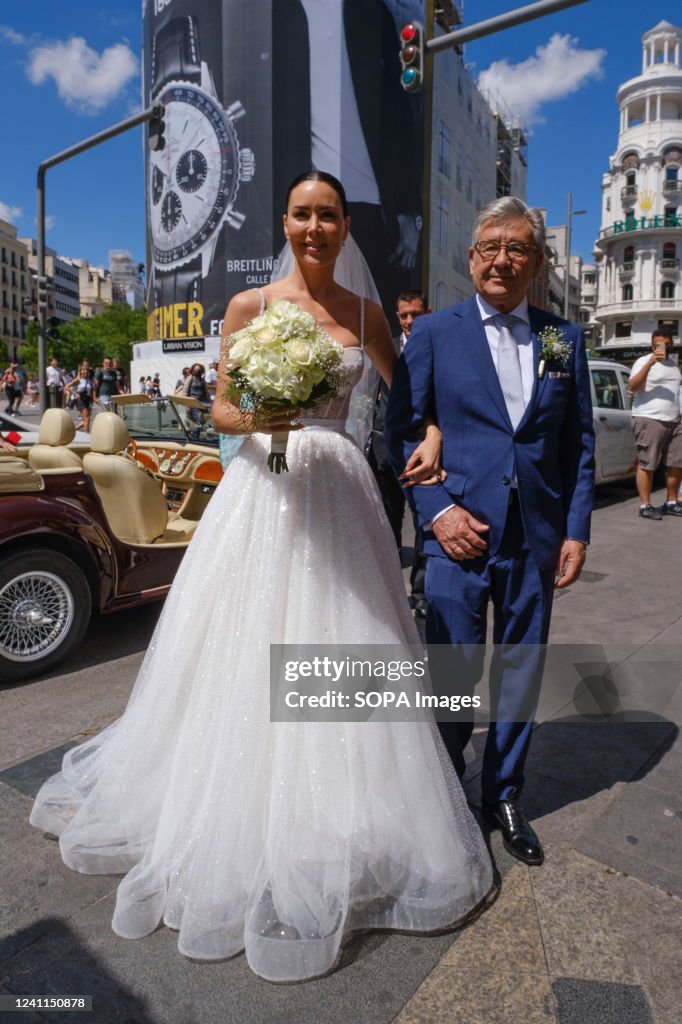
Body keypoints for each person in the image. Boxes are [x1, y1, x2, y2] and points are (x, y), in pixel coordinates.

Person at [30, 171, 493, 983]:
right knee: (245, 641)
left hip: (342, 490)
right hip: (262, 486)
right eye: (303, 215)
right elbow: (221, 411)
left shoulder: (365, 316)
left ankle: (344, 817)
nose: (315, 227)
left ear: (347, 227)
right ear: (286, 222)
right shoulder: (250, 309)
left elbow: (407, 390)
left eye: (329, 216)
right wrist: (265, 412)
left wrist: (435, 435)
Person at [386, 196, 595, 867]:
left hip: (535, 537)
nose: (503, 259)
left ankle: (503, 794)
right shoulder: (435, 334)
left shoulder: (563, 338)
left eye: (518, 248)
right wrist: (438, 510)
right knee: (451, 670)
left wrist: (576, 530)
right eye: (491, 247)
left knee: (519, 672)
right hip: (458, 536)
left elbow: (579, 440)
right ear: (472, 259)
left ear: (536, 262)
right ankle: (442, 792)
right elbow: (400, 434)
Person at [366, 290, 431, 616]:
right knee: (387, 525)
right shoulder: (386, 344)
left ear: (427, 313)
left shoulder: (438, 346)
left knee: (424, 525)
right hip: (383, 450)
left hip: (422, 453)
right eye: (403, 315)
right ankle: (391, 593)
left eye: (415, 315)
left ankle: (420, 593)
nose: (408, 321)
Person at [628, 328, 682, 520]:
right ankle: (645, 505)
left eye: (667, 344)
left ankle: (671, 502)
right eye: (658, 344)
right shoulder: (643, 361)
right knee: (647, 463)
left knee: (676, 463)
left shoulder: (673, 365)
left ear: (671, 344)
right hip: (649, 418)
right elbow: (632, 386)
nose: (663, 347)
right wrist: (650, 362)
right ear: (652, 345)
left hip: (674, 420)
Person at [65, 360, 94, 432]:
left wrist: (93, 399)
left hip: (87, 399)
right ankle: (87, 436)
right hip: (80, 399)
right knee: (87, 418)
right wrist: (75, 393)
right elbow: (66, 387)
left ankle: (73, 430)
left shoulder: (89, 380)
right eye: (84, 370)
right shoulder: (78, 379)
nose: (85, 371)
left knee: (87, 419)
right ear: (80, 371)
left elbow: (91, 391)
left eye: (87, 370)